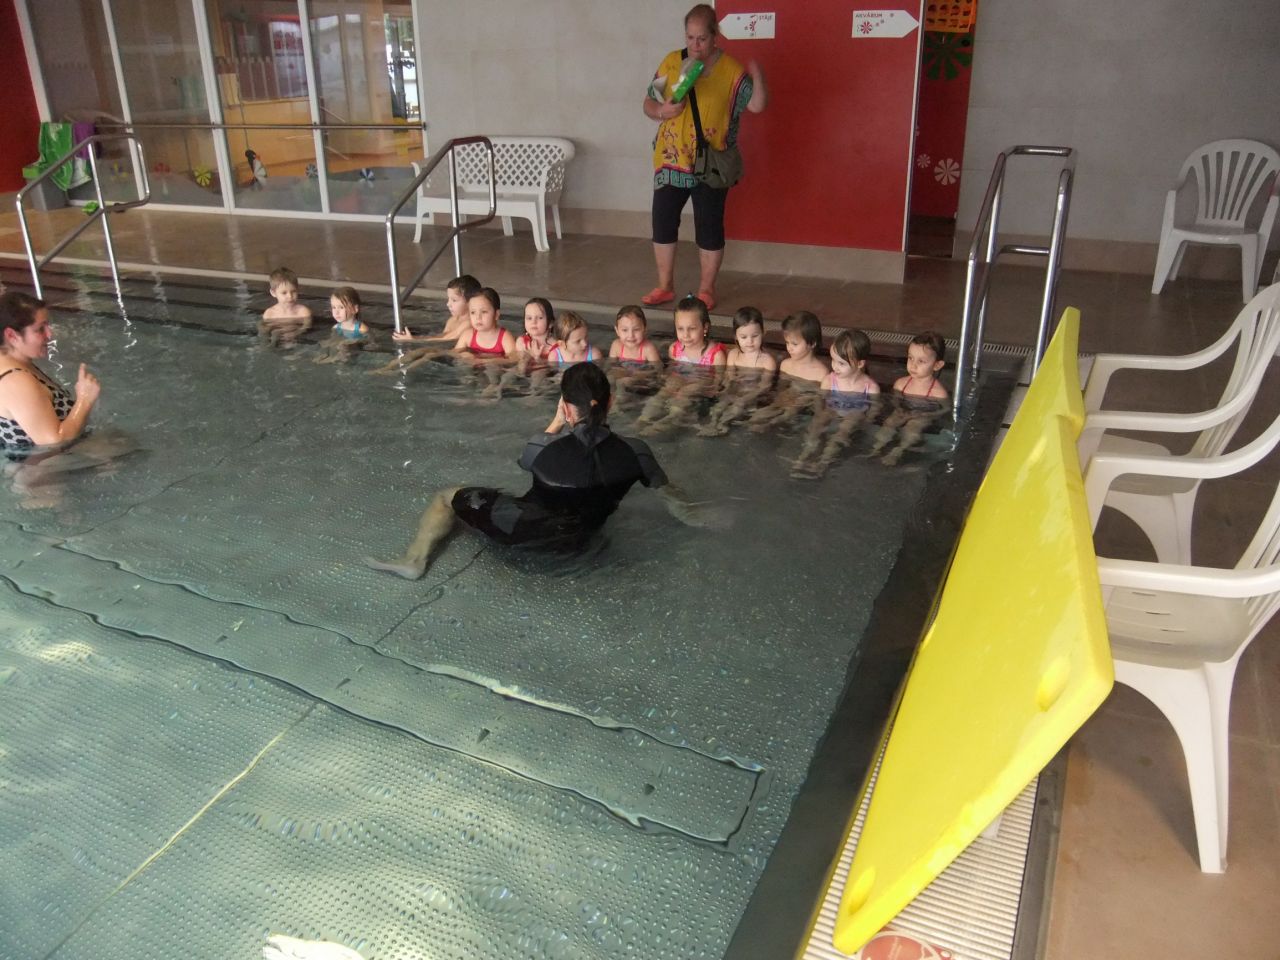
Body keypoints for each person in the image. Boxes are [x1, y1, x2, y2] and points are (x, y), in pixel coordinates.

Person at [365, 362, 715, 579]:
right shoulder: (636, 452)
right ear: (610, 402)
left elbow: (527, 461)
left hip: (521, 533)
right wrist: (702, 516)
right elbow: (675, 500)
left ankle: (415, 560)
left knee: (447, 497)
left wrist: (555, 422)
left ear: (565, 407)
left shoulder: (541, 447)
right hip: (579, 541)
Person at [642, 4, 768, 313]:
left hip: (710, 162)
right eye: (690, 38)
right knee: (663, 221)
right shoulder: (673, 62)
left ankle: (706, 289)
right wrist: (662, 111)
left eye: (702, 38)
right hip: (670, 158)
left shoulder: (730, 70)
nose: (695, 45)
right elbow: (649, 101)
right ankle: (664, 285)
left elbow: (756, 105)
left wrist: (758, 76)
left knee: (708, 225)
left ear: (715, 37)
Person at [0, 292, 99, 458]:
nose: (49, 334)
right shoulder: (15, 381)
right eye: (40, 329)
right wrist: (84, 400)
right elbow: (54, 443)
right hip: (46, 470)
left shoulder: (17, 364)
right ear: (11, 335)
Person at [792, 329, 881, 479]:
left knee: (848, 423)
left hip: (853, 416)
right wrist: (819, 415)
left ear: (860, 363)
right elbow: (819, 400)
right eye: (833, 360)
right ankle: (803, 457)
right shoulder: (829, 380)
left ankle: (823, 462)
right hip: (832, 410)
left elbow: (874, 409)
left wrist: (865, 423)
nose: (835, 367)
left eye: (841, 363)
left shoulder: (870, 387)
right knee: (818, 424)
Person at [372, 274, 482, 376]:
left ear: (470, 302)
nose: (448, 304)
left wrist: (414, 340)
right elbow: (441, 336)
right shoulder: (452, 319)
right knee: (418, 352)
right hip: (445, 350)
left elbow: (447, 339)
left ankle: (399, 372)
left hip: (457, 356)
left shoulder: (469, 323)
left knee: (427, 354)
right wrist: (418, 339)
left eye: (454, 300)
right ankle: (386, 368)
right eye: (448, 299)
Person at [699, 306, 776, 435]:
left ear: (763, 332)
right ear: (736, 336)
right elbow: (729, 377)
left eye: (755, 336)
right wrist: (725, 390)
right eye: (744, 337)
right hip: (734, 392)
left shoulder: (767, 361)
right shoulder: (733, 355)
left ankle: (723, 425)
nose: (750, 341)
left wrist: (744, 398)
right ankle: (713, 423)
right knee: (719, 406)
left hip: (752, 397)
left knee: (737, 408)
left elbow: (764, 387)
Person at [745, 311, 827, 431]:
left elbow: (819, 403)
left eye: (794, 344)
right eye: (787, 342)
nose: (789, 348)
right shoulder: (786, 365)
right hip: (785, 400)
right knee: (756, 417)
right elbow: (780, 390)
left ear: (812, 343)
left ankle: (769, 425)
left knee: (789, 412)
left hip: (801, 408)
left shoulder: (821, 373)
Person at [452, 287, 516, 359]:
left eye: (484, 312)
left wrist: (482, 360)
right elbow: (452, 354)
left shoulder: (505, 338)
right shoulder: (467, 335)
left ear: (496, 315)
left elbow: (514, 359)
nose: (478, 317)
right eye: (473, 312)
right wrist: (461, 355)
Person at [313, 286, 369, 364]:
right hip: (340, 353)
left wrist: (351, 343)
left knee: (343, 346)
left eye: (341, 307)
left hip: (353, 356)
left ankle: (334, 359)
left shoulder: (362, 329)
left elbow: (369, 344)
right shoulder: (336, 328)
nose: (336, 312)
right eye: (334, 307)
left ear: (355, 309)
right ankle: (330, 357)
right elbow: (333, 342)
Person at [259, 267, 312, 346]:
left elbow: (306, 327)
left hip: (297, 340)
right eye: (284, 293)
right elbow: (263, 330)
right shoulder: (270, 313)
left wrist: (295, 333)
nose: (290, 296)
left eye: (293, 291)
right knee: (275, 334)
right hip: (276, 339)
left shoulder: (303, 312)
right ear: (273, 293)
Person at [892, 331, 948, 400]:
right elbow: (895, 406)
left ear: (937, 365)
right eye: (911, 358)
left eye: (921, 361)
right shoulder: (900, 386)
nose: (913, 365)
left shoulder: (938, 395)